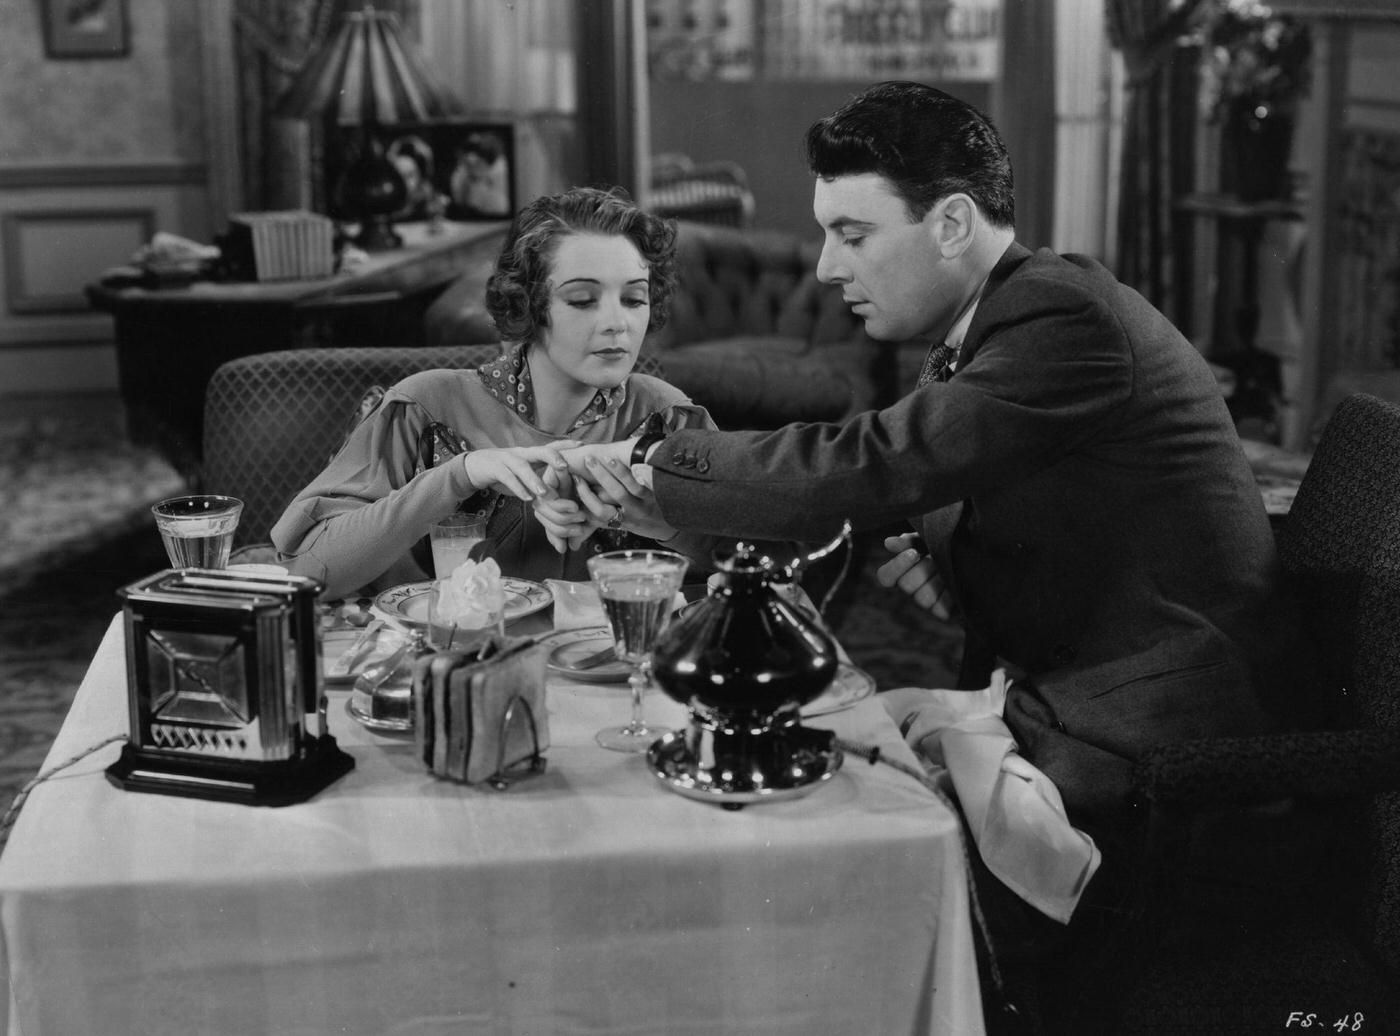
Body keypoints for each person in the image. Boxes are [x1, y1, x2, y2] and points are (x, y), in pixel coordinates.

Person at [555, 82, 1319, 1029]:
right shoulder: (990, 325)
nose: (829, 267)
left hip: (1163, 755)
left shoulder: (1062, 319)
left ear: (952, 221)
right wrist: (949, 553)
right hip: (1082, 700)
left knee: (823, 844)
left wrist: (648, 459)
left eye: (855, 232)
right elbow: (929, 490)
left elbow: (877, 461)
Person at [270, 186, 720, 599]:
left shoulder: (668, 418)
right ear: (529, 304)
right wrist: (459, 474)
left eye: (634, 299)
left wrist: (660, 523)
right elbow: (305, 572)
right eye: (583, 300)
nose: (617, 322)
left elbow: (761, 564)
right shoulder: (424, 409)